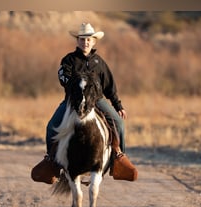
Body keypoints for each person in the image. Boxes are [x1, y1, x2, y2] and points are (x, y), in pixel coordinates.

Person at [31, 22, 138, 184]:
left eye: (88, 39)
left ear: (94, 41)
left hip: (97, 100)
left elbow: (109, 86)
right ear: (77, 41)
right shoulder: (68, 60)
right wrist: (76, 83)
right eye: (82, 39)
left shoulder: (99, 63)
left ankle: (118, 156)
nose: (85, 42)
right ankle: (51, 162)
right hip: (72, 101)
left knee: (118, 123)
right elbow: (63, 78)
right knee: (51, 126)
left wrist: (118, 106)